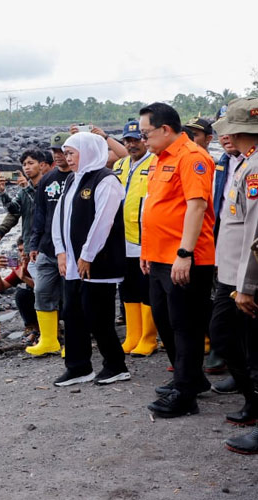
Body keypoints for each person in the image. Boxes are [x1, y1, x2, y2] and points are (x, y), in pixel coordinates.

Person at [138, 102, 216, 418]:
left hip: (183, 258)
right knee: (166, 320)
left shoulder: (192, 157)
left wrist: (184, 254)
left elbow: (196, 207)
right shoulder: (159, 159)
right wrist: (146, 250)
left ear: (166, 129)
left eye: (146, 134)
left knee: (186, 325)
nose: (143, 140)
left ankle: (185, 395)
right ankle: (189, 378)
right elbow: (153, 207)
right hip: (157, 257)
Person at [51, 132, 130, 386]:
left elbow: (103, 222)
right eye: (67, 153)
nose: (67, 159)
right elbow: (59, 218)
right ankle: (78, 366)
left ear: (88, 151)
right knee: (72, 312)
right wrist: (60, 251)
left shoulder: (106, 180)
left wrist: (87, 255)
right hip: (73, 263)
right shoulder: (74, 180)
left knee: (97, 315)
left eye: (72, 153)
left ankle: (116, 365)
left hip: (98, 261)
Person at [210, 98, 258, 454]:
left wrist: (246, 286)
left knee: (251, 349)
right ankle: (253, 401)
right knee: (229, 340)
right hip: (232, 273)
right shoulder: (245, 164)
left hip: (246, 278)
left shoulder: (255, 169)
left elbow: (255, 231)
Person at [112, 120, 158, 356]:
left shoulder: (155, 163)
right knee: (127, 287)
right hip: (123, 238)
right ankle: (133, 335)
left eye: (136, 139)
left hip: (145, 238)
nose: (132, 144)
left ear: (144, 139)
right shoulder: (120, 165)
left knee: (145, 288)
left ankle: (148, 338)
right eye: (127, 140)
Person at [25, 132, 72, 356]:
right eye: (55, 151)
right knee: (42, 291)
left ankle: (73, 342)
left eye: (62, 150)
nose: (59, 155)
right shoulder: (47, 179)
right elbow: (39, 214)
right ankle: (49, 340)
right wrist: (34, 244)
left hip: (72, 250)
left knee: (70, 297)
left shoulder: (80, 177)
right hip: (47, 248)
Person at [0, 149, 48, 253]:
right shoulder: (23, 191)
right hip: (29, 245)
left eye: (30, 163)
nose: (27, 167)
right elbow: (13, 210)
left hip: (46, 246)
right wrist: (2, 191)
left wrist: (26, 187)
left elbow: (41, 206)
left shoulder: (49, 185)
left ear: (41, 165)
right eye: (24, 164)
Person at [0, 238, 38, 344]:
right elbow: (0, 288)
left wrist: (23, 278)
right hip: (37, 302)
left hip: (55, 301)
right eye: (20, 250)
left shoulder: (41, 262)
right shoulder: (21, 266)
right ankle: (35, 329)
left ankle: (49, 329)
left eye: (24, 250)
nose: (22, 254)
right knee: (22, 295)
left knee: (24, 295)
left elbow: (43, 289)